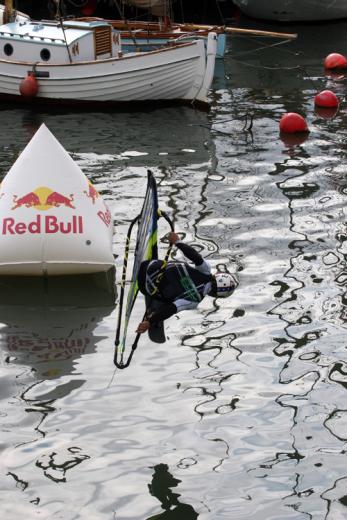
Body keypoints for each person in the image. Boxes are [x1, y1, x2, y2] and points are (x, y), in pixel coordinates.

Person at [136, 232, 238, 334]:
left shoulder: (205, 270)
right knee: (174, 302)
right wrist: (150, 322)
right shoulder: (194, 301)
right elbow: (171, 309)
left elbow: (194, 256)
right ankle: (154, 313)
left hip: (148, 265)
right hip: (143, 286)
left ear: (217, 275)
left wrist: (177, 241)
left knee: (178, 270)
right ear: (216, 295)